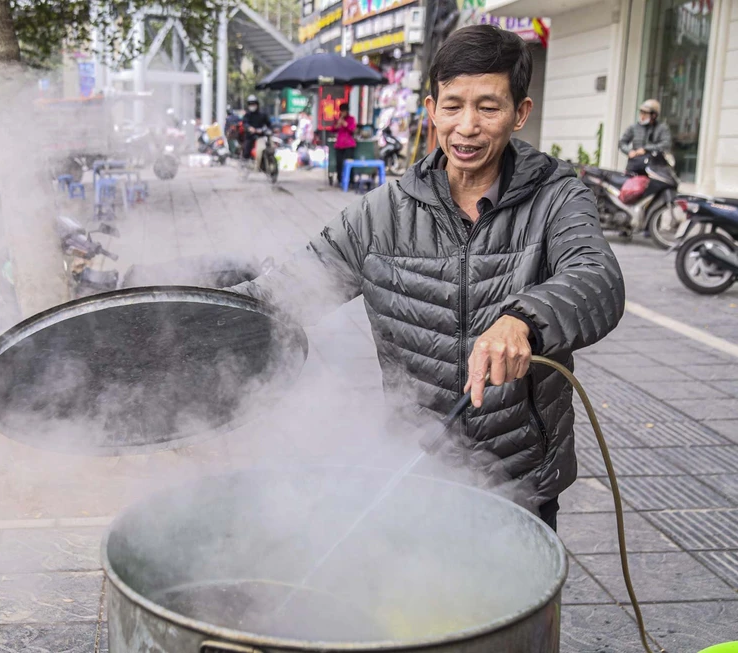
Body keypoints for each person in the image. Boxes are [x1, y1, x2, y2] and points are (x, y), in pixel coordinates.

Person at [231, 24, 625, 532]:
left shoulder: (556, 198)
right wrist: (183, 321)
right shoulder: (379, 215)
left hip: (519, 480)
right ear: (431, 109)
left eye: (488, 107)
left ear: (519, 113)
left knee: (508, 607)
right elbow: (285, 291)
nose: (467, 127)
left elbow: (597, 277)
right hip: (412, 469)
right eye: (453, 105)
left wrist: (524, 320)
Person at [619, 99, 673, 172]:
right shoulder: (634, 127)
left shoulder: (662, 128)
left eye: (645, 113)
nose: (642, 116)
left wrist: (646, 149)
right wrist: (629, 151)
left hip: (654, 166)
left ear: (654, 115)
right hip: (635, 164)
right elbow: (622, 143)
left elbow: (666, 145)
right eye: (641, 112)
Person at [333, 102, 357, 186]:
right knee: (339, 163)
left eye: (344, 111)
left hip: (349, 144)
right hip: (339, 144)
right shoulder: (337, 119)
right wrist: (338, 124)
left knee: (350, 162)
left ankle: (351, 180)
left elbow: (352, 129)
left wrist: (345, 124)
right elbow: (333, 129)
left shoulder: (351, 119)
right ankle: (339, 180)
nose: (342, 113)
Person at [241, 95, 270, 163]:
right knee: (247, 148)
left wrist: (265, 129)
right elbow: (245, 123)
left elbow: (268, 124)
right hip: (251, 136)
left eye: (253, 104)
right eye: (250, 104)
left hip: (262, 136)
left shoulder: (262, 114)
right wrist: (249, 128)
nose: (252, 106)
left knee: (269, 146)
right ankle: (245, 162)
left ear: (257, 104)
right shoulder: (247, 115)